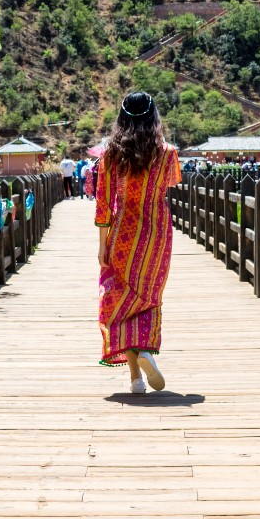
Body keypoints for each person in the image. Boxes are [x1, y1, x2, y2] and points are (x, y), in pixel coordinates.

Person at [94, 90, 181, 394]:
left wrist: (102, 244)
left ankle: (135, 378)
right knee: (147, 297)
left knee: (118, 300)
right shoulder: (168, 153)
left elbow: (104, 203)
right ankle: (145, 351)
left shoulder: (111, 155)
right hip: (157, 234)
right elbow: (168, 185)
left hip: (123, 234)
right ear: (154, 116)